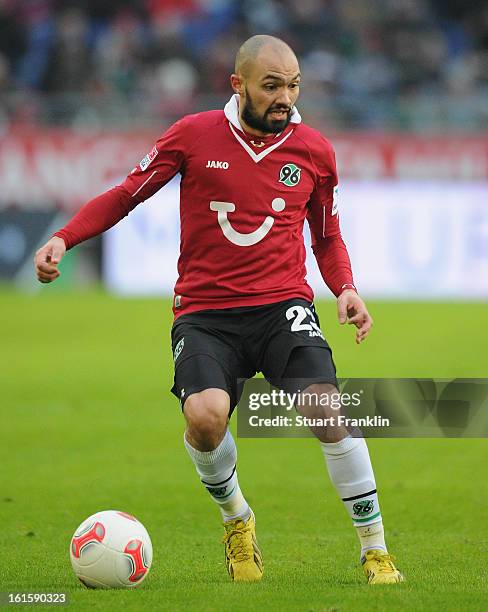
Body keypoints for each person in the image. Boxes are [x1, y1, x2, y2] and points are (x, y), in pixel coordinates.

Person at [34, 35, 403, 585]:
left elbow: (327, 237)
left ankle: (375, 551)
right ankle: (238, 519)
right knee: (205, 420)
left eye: (294, 85)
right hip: (206, 312)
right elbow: (125, 194)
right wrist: (65, 238)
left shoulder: (315, 151)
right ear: (239, 84)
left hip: (283, 306)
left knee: (327, 410)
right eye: (272, 85)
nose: (286, 97)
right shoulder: (193, 135)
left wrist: (345, 288)